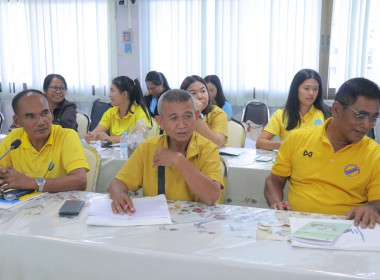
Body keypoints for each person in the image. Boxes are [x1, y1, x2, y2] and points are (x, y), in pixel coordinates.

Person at [264, 77, 380, 229]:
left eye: (373, 118)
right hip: (297, 226)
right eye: (361, 115)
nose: (366, 125)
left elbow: (377, 202)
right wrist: (277, 205)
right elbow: (273, 181)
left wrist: (371, 209)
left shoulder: (375, 154)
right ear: (337, 109)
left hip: (349, 230)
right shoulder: (298, 139)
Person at [109, 89, 223, 214]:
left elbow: (212, 197)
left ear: (196, 117)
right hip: (156, 221)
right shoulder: (148, 148)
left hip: (196, 223)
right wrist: (119, 194)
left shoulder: (208, 149)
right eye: (173, 118)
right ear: (160, 122)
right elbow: (118, 183)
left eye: (188, 116)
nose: (182, 125)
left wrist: (180, 161)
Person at [0, 90, 89, 192]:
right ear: (17, 121)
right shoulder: (14, 139)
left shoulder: (66, 136)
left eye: (44, 113)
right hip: (21, 205)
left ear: (51, 113)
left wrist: (30, 183)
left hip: (58, 205)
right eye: (30, 116)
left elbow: (80, 182)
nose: (41, 122)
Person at [256, 69, 328, 150]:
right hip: (289, 160)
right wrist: (281, 144)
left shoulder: (324, 114)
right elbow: (260, 143)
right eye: (306, 88)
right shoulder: (281, 114)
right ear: (296, 89)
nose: (311, 93)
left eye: (315, 89)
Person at [85, 76, 151, 143]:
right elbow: (97, 131)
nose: (109, 95)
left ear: (124, 94)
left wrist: (110, 138)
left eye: (112, 91)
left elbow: (138, 137)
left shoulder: (140, 111)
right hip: (116, 152)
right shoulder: (111, 112)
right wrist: (92, 136)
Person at [180, 75, 228, 148]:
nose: (200, 96)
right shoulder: (178, 114)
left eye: (203, 91)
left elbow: (216, 144)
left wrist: (197, 115)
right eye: (193, 93)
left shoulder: (217, 113)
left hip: (214, 157)